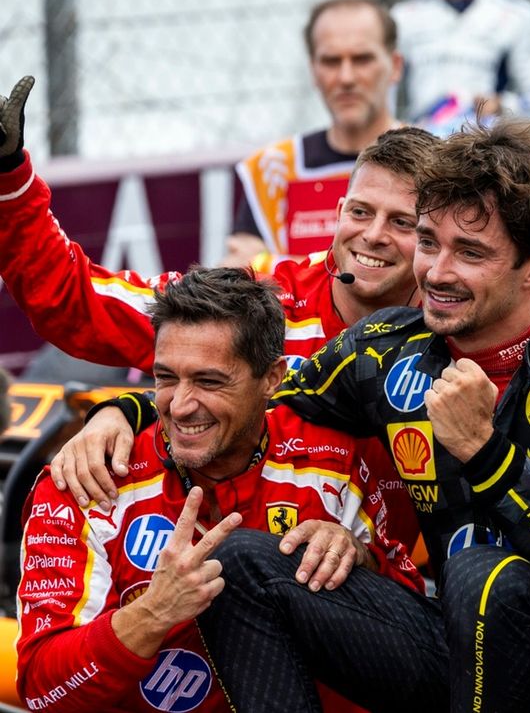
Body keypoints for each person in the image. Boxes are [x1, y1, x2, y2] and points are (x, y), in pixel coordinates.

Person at [96, 119, 530, 711]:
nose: (436, 274)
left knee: (483, 575)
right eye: (428, 242)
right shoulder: (384, 349)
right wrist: (125, 409)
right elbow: (255, 397)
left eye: (469, 253)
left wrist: (486, 453)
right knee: (238, 563)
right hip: (455, 639)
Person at [0, 80, 432, 550]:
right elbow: (77, 299)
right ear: (339, 211)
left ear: (434, 235)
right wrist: (10, 180)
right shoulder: (261, 303)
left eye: (402, 222)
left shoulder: (459, 324)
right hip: (271, 577)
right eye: (361, 212)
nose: (372, 235)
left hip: (421, 586)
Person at [15, 267, 420, 713]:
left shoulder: (335, 463)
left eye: (209, 382)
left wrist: (362, 560)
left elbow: (416, 646)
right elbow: (40, 689)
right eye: (166, 378)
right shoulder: (89, 479)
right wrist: (153, 614)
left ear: (272, 378)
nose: (181, 406)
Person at [226, 0, 404, 268]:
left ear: (394, 66)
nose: (346, 78)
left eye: (362, 59)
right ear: (313, 71)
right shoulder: (272, 167)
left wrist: (270, 264)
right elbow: (240, 276)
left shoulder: (434, 161)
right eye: (331, 61)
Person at [391, 0, 530, 133]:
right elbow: (383, 90)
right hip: (422, 143)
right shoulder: (405, 16)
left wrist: (501, 106)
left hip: (486, 147)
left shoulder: (517, 15)